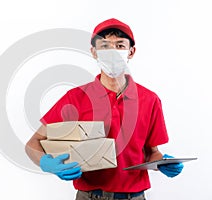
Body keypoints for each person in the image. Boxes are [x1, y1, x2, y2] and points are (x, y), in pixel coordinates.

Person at [25, 18, 184, 200]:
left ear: (131, 52)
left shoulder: (149, 100)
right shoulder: (75, 98)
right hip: (90, 196)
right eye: (105, 46)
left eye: (119, 45)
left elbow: (151, 151)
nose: (113, 52)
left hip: (135, 196)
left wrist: (162, 163)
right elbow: (33, 144)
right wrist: (47, 163)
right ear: (94, 52)